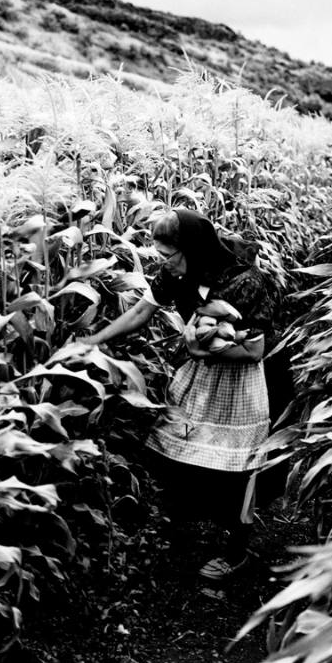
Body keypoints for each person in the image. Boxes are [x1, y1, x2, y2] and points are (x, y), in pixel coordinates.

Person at [81, 207, 278, 579]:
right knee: (173, 448)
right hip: (200, 373)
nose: (164, 265)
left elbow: (255, 350)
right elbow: (141, 311)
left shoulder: (245, 282)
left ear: (194, 248)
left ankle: (237, 551)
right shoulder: (178, 274)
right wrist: (93, 340)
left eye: (168, 256)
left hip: (241, 382)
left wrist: (202, 350)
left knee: (237, 468)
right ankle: (176, 528)